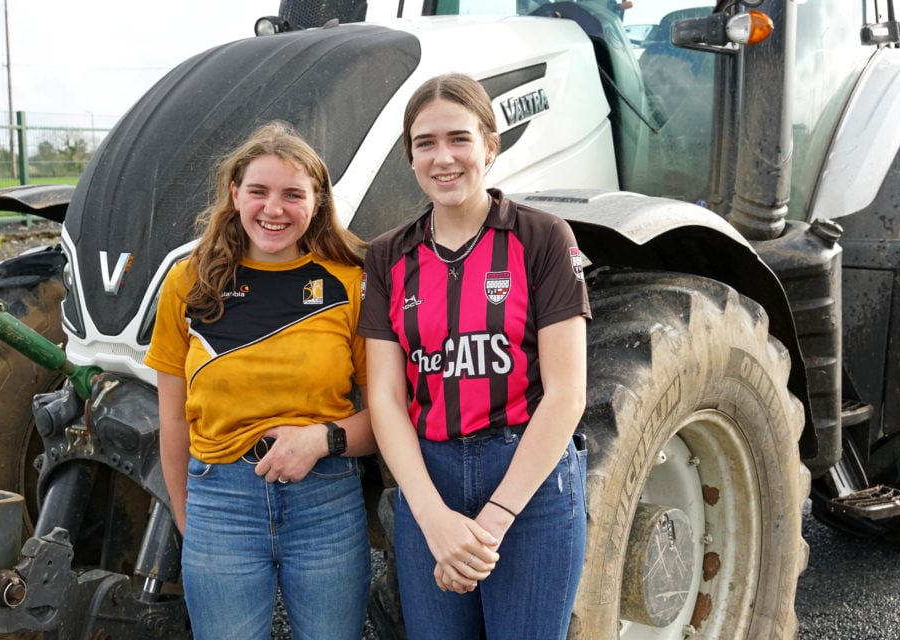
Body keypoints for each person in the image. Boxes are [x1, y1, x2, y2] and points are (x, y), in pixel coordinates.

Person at [359, 73, 590, 639]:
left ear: (491, 145)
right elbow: (386, 398)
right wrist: (431, 518)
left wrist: (496, 517)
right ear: (409, 157)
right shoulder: (388, 256)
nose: (444, 158)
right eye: (425, 143)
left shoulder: (542, 239)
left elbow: (567, 393)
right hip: (428, 479)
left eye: (459, 139)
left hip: (528, 483)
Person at [144, 121, 374, 640]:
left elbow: (388, 414)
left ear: (317, 202)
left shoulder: (349, 283)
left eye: (293, 194)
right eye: (259, 191)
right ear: (234, 194)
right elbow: (172, 418)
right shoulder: (188, 283)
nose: (274, 209)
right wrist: (189, 517)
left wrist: (322, 438)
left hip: (326, 500)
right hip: (220, 503)